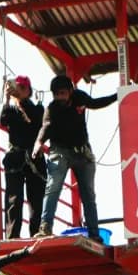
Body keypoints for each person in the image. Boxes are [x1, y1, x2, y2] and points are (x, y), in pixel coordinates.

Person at [33, 74, 117, 242]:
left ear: (70, 92)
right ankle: (45, 227)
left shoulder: (80, 97)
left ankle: (94, 233)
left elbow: (95, 103)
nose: (60, 97)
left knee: (88, 195)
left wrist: (117, 96)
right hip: (60, 151)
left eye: (63, 93)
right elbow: (46, 128)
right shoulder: (52, 109)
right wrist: (38, 143)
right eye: (57, 94)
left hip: (82, 152)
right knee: (53, 187)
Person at [0, 76, 47, 239]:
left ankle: (37, 232)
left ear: (28, 91)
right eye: (17, 87)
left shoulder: (38, 109)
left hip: (34, 158)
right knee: (14, 198)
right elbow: (3, 120)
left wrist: (21, 100)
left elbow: (34, 120)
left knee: (36, 199)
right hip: (16, 157)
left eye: (22, 88)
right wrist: (7, 99)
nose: (18, 90)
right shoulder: (11, 110)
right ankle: (13, 235)